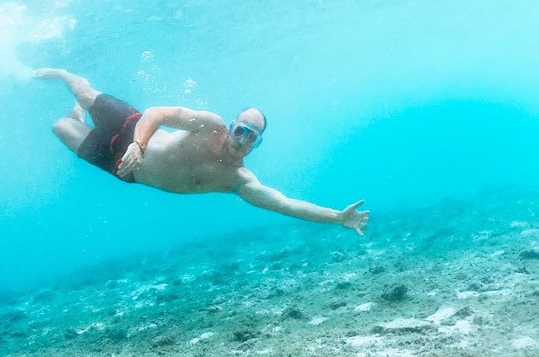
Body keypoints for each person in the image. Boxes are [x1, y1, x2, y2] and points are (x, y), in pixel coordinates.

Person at [35, 68, 369, 236]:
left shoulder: (238, 180)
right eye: (240, 130)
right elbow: (158, 113)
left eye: (251, 137)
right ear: (231, 125)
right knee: (83, 90)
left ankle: (74, 116)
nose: (242, 140)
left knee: (59, 128)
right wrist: (138, 144)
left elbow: (284, 204)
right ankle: (64, 74)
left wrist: (337, 217)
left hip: (124, 169)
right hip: (132, 129)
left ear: (256, 143)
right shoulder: (208, 125)